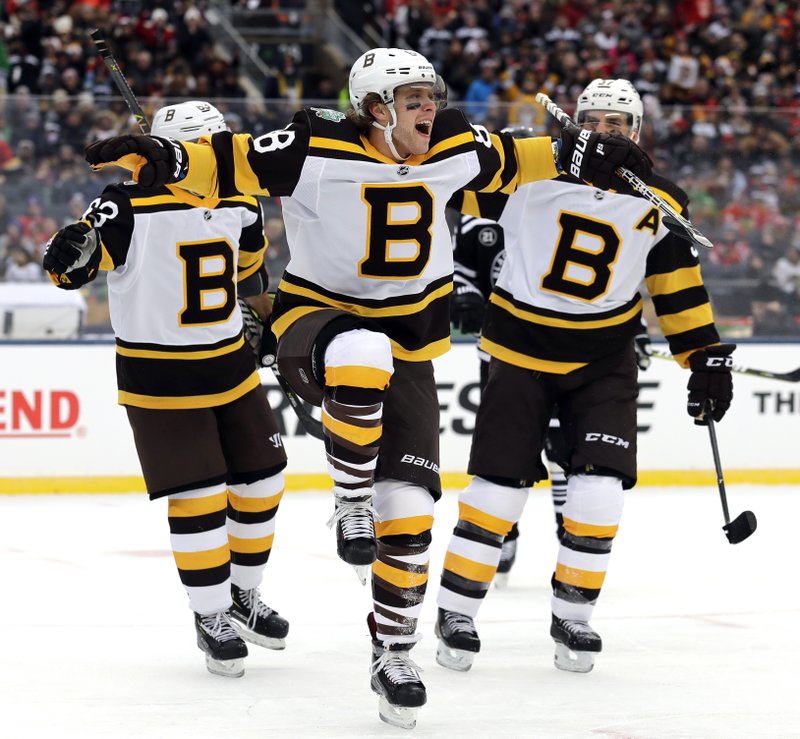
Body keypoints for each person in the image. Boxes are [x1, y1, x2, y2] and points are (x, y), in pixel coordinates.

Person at [82, 50, 653, 729]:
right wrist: (165, 160)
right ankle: (348, 498)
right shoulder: (312, 143)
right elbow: (225, 163)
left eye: (430, 96)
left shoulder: (453, 143)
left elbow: (519, 160)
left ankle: (393, 652)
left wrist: (584, 152)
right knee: (361, 349)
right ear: (375, 107)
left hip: (410, 347)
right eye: (412, 99)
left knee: (410, 513)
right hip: (315, 323)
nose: (428, 109)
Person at [434, 78, 734, 675]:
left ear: (637, 133)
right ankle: (456, 610)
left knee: (598, 494)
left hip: (604, 360)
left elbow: (676, 292)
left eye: (617, 125)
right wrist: (529, 150)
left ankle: (573, 615)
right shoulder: (529, 174)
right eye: (593, 121)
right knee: (497, 493)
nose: (605, 132)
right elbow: (449, 167)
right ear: (575, 124)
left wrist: (703, 357)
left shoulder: (662, 201)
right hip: (518, 351)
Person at [42, 101, 289, 680]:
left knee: (263, 478)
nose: (218, 158)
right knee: (199, 495)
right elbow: (73, 263)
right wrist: (66, 258)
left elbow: (249, 274)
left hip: (230, 364)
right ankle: (210, 615)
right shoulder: (124, 203)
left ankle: (241, 595)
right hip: (159, 373)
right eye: (207, 148)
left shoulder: (241, 201)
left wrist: (267, 326)